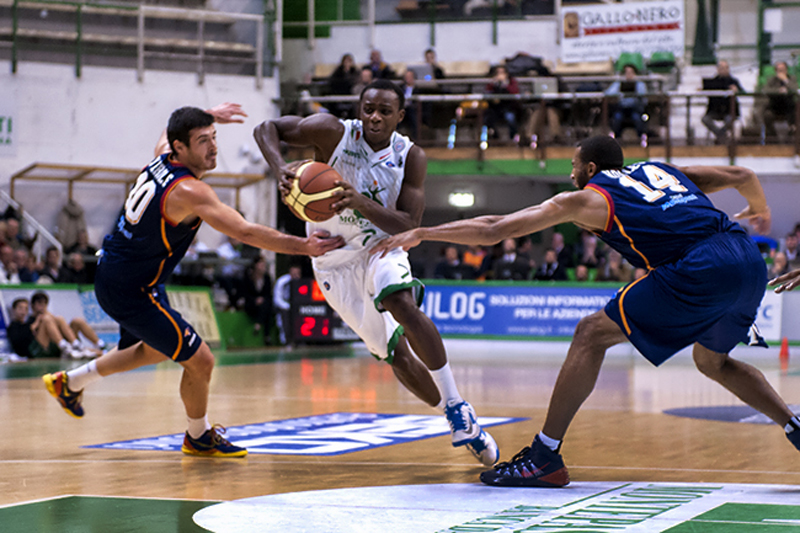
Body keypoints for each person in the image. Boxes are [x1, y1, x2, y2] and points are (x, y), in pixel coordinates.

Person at [373, 134, 800, 486]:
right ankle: (793, 424)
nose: (571, 174)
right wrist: (760, 210)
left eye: (574, 167)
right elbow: (742, 174)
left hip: (700, 267)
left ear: (590, 170)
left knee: (590, 332)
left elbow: (494, 229)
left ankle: (545, 455)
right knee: (713, 361)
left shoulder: (591, 198)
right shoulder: (662, 171)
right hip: (747, 259)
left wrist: (423, 231)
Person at [42, 103, 343, 457]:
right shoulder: (190, 191)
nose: (213, 147)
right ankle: (198, 436)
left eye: (214, 137)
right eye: (203, 140)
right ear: (180, 148)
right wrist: (304, 246)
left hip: (122, 274)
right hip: (132, 288)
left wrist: (208, 112)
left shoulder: (162, 156)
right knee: (201, 361)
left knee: (154, 349)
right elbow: (245, 231)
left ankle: (69, 382)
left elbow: (164, 135)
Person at [254, 79, 499, 466]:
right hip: (332, 258)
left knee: (399, 300)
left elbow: (409, 224)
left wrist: (360, 202)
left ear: (399, 117)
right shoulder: (332, 131)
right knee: (395, 355)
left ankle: (457, 404)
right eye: (368, 108)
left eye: (385, 111)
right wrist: (279, 166)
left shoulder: (411, 156)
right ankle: (456, 421)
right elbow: (266, 129)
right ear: (359, 107)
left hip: (382, 245)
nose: (375, 117)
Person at [6, 297, 91, 360]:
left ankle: (77, 345)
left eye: (25, 309)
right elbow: (20, 342)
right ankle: (65, 347)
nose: (23, 311)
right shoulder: (13, 326)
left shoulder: (29, 321)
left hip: (46, 347)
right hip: (32, 352)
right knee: (46, 319)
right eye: (20, 308)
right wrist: (34, 326)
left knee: (59, 318)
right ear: (13, 309)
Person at [30, 291, 104, 356]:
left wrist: (47, 314)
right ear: (33, 305)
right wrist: (38, 321)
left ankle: (93, 345)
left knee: (75, 320)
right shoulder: (31, 318)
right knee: (47, 319)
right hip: (43, 347)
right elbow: (31, 331)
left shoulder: (49, 316)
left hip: (58, 344)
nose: (42, 306)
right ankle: (65, 346)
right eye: (39, 303)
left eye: (44, 303)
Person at [701, 60, 744, 144]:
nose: (724, 70)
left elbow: (743, 92)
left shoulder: (734, 81)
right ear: (718, 69)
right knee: (705, 119)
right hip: (715, 110)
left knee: (729, 120)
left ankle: (720, 135)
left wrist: (736, 90)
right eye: (722, 68)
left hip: (729, 111)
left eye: (726, 68)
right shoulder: (712, 82)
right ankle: (721, 135)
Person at [605, 64, 648, 145]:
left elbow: (643, 95)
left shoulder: (640, 84)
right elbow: (608, 93)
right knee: (617, 118)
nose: (628, 75)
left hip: (635, 109)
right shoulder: (619, 83)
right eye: (626, 72)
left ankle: (641, 140)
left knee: (638, 119)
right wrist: (618, 90)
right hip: (622, 109)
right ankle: (616, 141)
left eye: (631, 72)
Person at [238, 256, 274, 342]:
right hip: (251, 304)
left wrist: (262, 299)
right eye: (261, 264)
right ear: (256, 265)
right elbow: (245, 293)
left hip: (263, 304)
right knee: (266, 309)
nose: (263, 266)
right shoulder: (248, 278)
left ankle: (259, 325)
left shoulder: (267, 278)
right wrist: (255, 300)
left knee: (266, 306)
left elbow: (268, 294)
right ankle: (266, 334)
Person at [761, 61, 797, 141]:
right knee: (767, 115)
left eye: (783, 70)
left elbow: (795, 89)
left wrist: (786, 80)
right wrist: (778, 90)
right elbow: (766, 90)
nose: (781, 72)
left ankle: (792, 134)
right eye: (779, 70)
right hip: (775, 106)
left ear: (786, 70)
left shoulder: (791, 78)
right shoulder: (772, 80)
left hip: (789, 106)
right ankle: (773, 137)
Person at [484, 65, 521, 143]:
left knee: (510, 117)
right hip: (495, 108)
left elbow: (515, 92)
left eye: (502, 72)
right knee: (487, 118)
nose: (500, 75)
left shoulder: (511, 82)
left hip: (509, 107)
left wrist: (505, 85)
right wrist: (494, 84)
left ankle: (513, 137)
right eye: (498, 73)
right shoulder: (492, 83)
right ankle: (494, 137)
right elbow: (487, 94)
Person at [273, 263, 302, 346]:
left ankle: (300, 340)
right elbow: (277, 299)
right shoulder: (282, 281)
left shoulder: (301, 282)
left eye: (298, 274)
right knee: (285, 315)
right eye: (294, 274)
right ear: (290, 272)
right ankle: (287, 340)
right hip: (283, 306)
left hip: (296, 307)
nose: (296, 276)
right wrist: (288, 306)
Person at [328, 53, 359, 119]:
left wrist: (348, 74)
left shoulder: (355, 71)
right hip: (339, 94)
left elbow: (354, 82)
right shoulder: (338, 71)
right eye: (346, 61)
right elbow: (333, 82)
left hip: (350, 95)